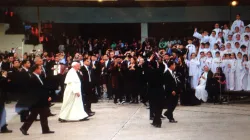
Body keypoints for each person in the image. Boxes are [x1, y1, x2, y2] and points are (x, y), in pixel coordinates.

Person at [20, 64, 54, 135]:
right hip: (37, 100)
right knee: (35, 115)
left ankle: (45, 129)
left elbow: (43, 88)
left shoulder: (39, 77)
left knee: (42, 115)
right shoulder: (32, 78)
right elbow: (35, 90)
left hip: (41, 100)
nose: (41, 70)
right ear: (36, 69)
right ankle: (24, 128)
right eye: (40, 69)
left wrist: (47, 96)